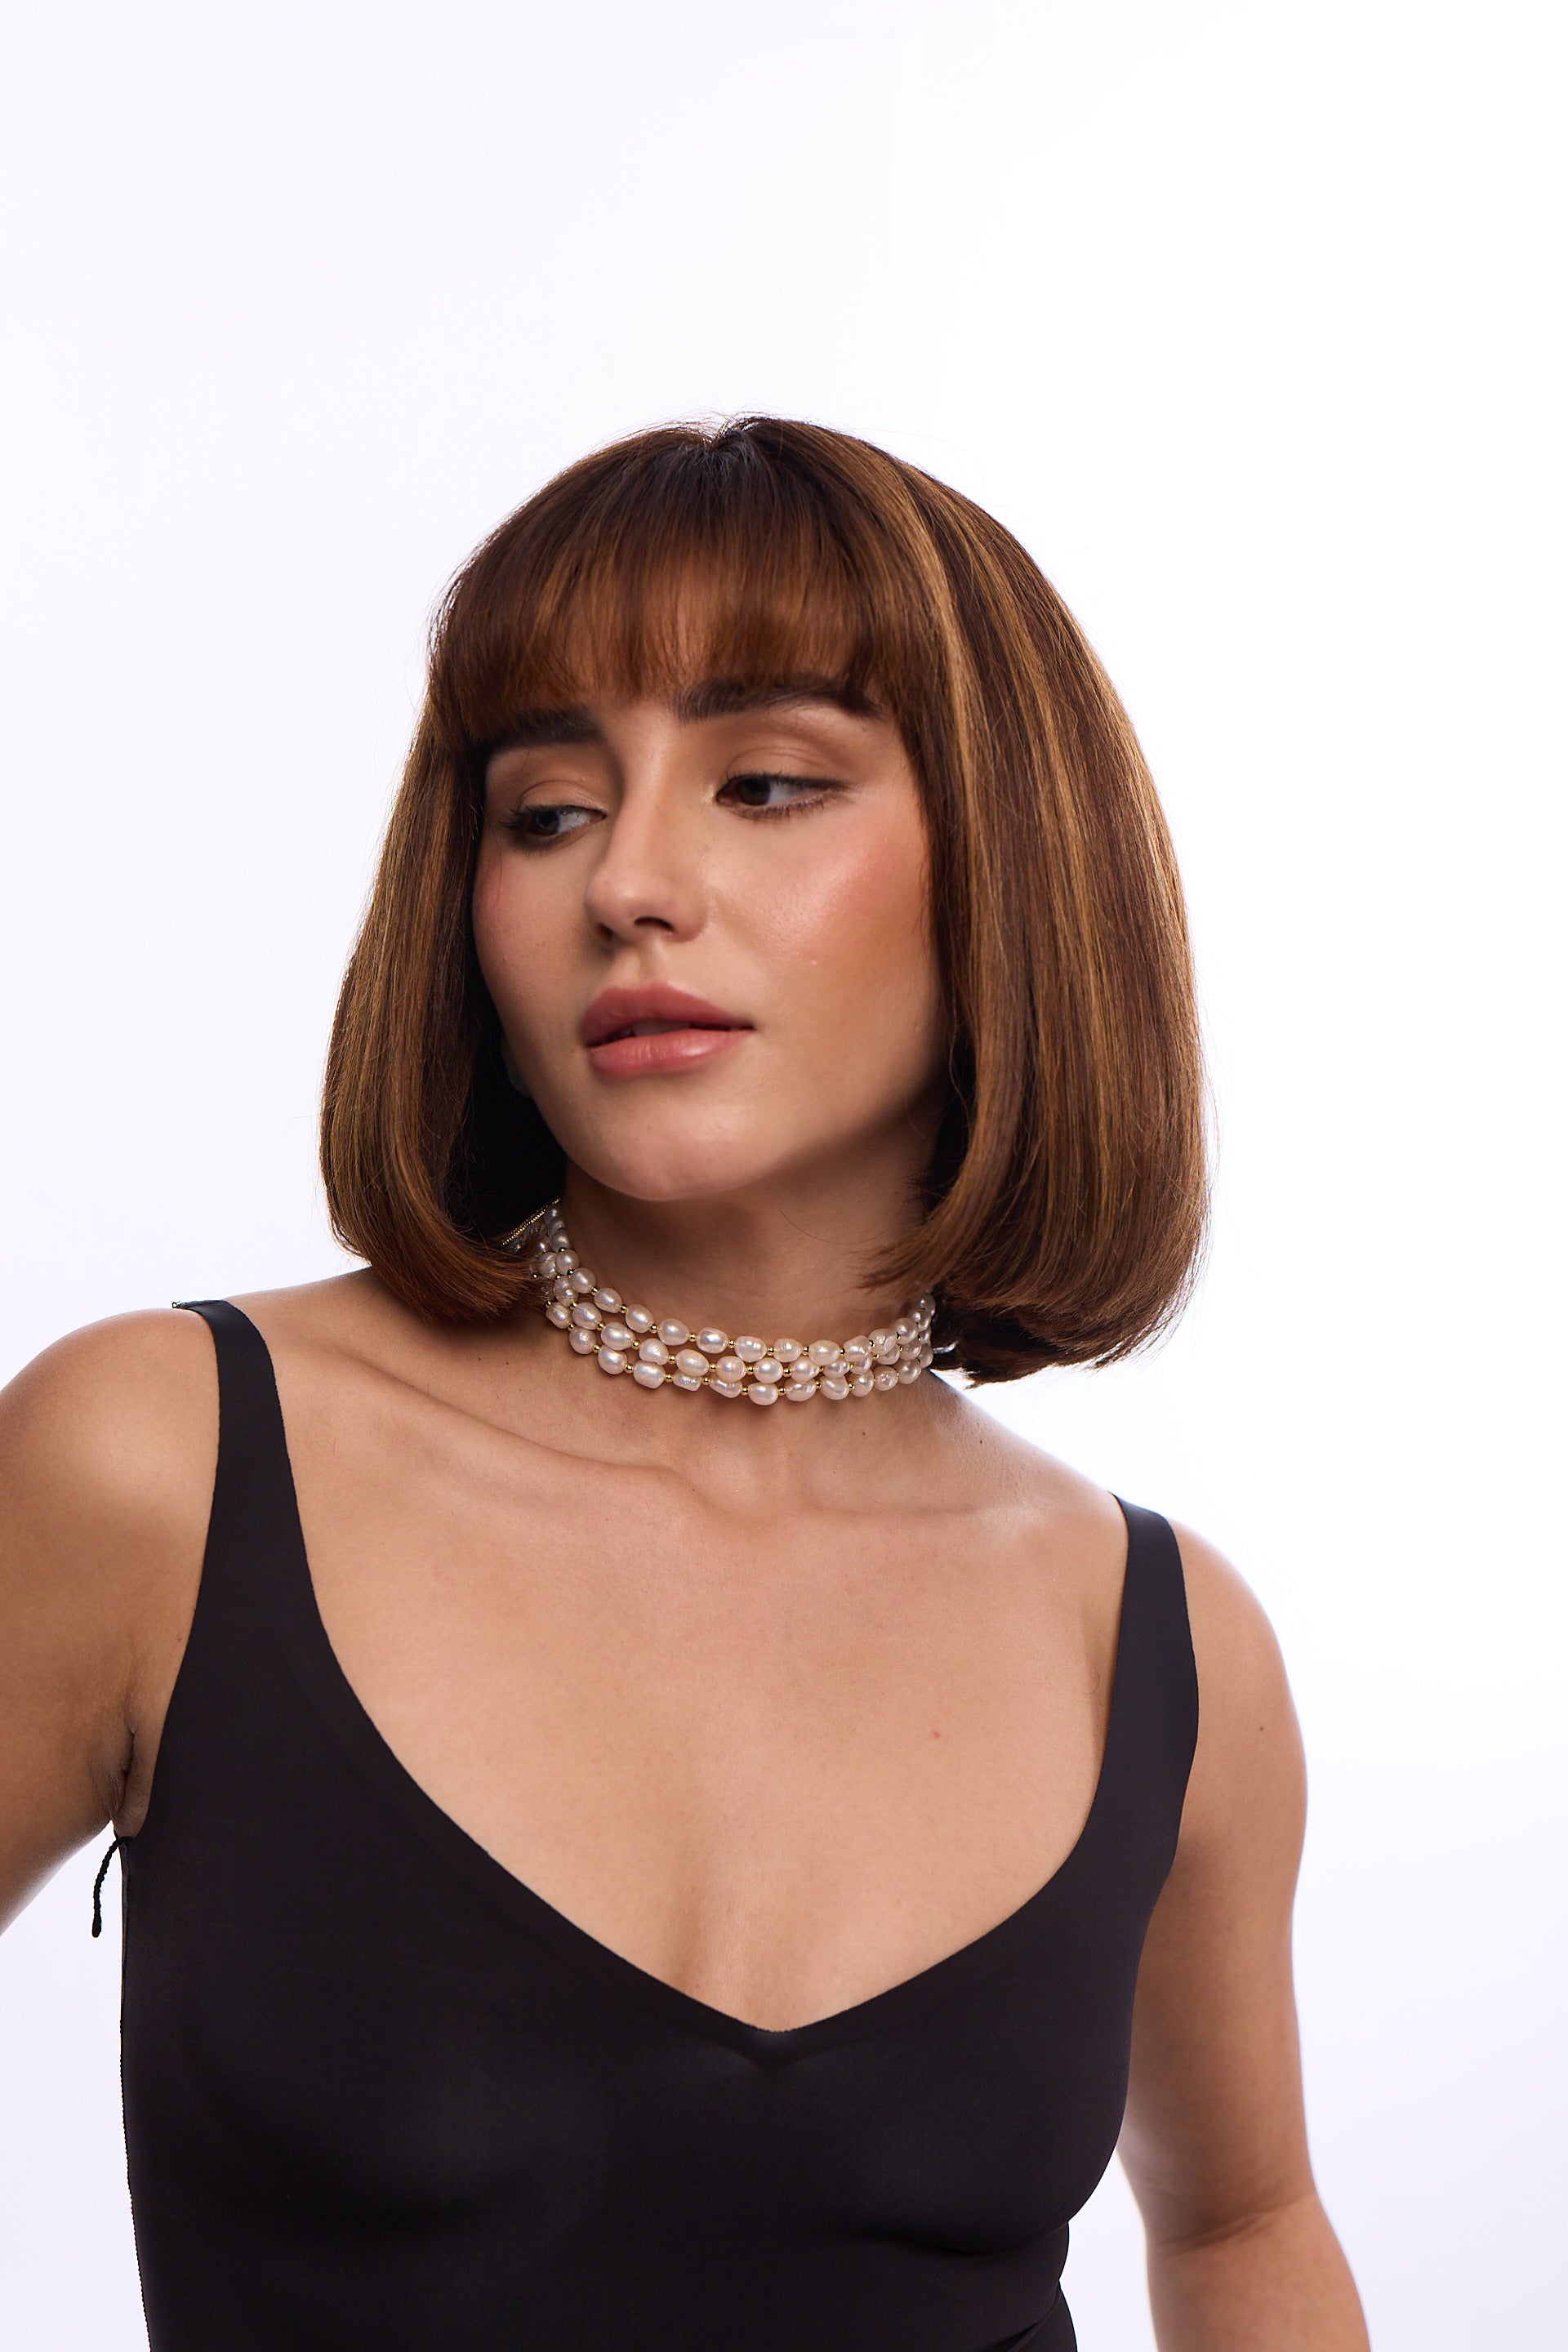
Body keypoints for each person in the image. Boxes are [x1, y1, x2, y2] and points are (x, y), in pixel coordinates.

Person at [0, 416, 1368, 2350]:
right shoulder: (167, 1467)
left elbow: (1243, 2230)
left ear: (1012, 863)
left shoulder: (1163, 1645)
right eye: (547, 810)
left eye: (769, 784)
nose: (630, 881)